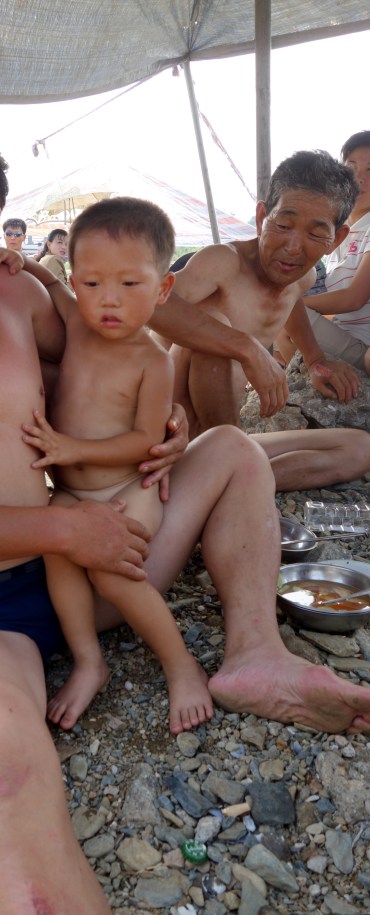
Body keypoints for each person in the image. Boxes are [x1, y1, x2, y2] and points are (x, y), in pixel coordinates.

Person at [0, 43, 370, 915]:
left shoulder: (14, 294)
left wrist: (162, 417)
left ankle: (253, 655)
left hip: (93, 564)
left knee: (232, 452)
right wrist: (60, 527)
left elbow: (122, 321)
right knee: (4, 768)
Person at [22, 198, 213, 733]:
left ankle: (182, 666)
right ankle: (89, 661)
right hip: (71, 495)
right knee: (57, 549)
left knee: (113, 574)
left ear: (162, 288)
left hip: (128, 489)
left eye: (129, 285)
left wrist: (71, 450)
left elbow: (144, 441)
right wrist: (16, 261)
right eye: (92, 284)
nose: (108, 301)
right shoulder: (76, 324)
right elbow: (50, 283)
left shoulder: (151, 359)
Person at [161, 150, 370, 492]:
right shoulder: (223, 262)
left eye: (316, 234)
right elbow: (152, 303)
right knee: (214, 325)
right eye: (283, 225)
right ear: (262, 217)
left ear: (338, 239)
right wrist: (246, 348)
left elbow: (292, 306)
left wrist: (316, 359)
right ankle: (219, 476)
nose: (292, 246)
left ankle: (223, 481)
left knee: (358, 448)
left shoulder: (299, 278)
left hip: (225, 438)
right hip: (169, 429)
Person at [276, 132, 370, 375]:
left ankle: (309, 388)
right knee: (279, 317)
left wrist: (293, 305)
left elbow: (353, 299)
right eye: (352, 166)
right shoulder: (338, 232)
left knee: (281, 311)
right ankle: (304, 388)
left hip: (365, 348)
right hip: (343, 336)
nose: (359, 178)